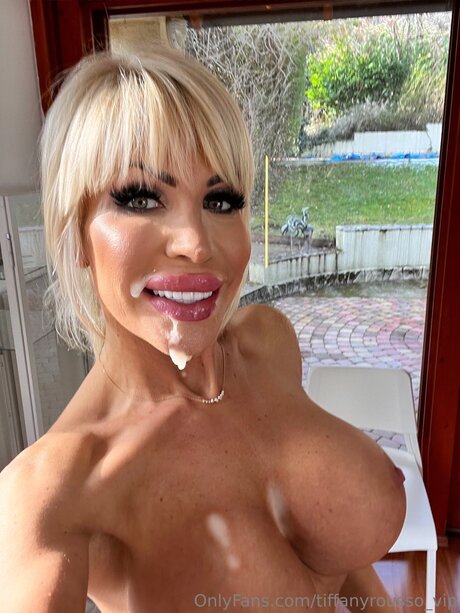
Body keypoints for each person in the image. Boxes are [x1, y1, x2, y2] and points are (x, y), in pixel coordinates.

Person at [0, 47, 405, 612]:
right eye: (141, 198)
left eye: (220, 200)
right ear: (77, 236)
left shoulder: (267, 343)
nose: (195, 242)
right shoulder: (52, 493)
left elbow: (334, 559)